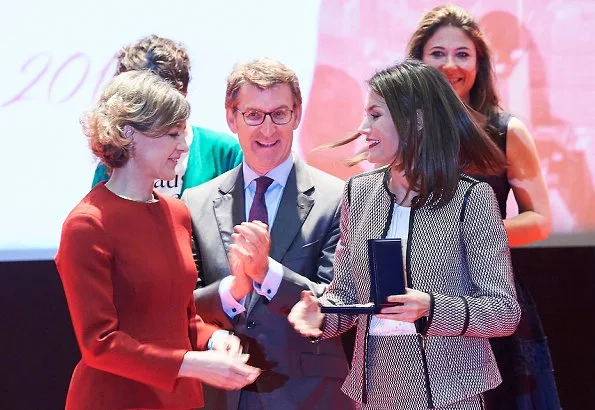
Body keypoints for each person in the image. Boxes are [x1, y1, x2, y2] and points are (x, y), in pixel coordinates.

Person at [288, 59, 521, 409]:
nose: (363, 128)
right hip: (376, 389)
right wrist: (321, 313)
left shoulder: (471, 199)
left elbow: (504, 312)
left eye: (375, 114)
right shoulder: (358, 193)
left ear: (418, 120)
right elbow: (348, 295)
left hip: (450, 392)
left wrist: (430, 307)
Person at [55, 70, 260, 410]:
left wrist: (213, 340)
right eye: (171, 134)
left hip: (179, 398)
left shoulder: (176, 213)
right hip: (115, 399)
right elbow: (100, 344)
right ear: (127, 134)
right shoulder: (87, 225)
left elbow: (180, 318)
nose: (183, 146)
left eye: (183, 133)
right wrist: (192, 363)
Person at [407, 5, 560, 409]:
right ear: (419, 61)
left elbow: (540, 220)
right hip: (415, 299)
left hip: (491, 301)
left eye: (462, 54)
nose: (450, 65)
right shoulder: (400, 131)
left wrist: (470, 237)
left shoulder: (505, 130)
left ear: (479, 64)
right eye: (437, 53)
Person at [182, 57, 354, 410]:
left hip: (308, 394)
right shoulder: (195, 202)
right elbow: (188, 306)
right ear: (232, 117)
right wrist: (234, 293)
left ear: (297, 114)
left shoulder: (338, 197)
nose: (267, 130)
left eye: (279, 114)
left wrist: (267, 274)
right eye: (253, 115)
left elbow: (338, 302)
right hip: (223, 392)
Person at [91, 34, 243, 198]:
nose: (155, 116)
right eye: (142, 106)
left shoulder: (224, 152)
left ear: (182, 94)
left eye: (165, 101)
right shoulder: (112, 166)